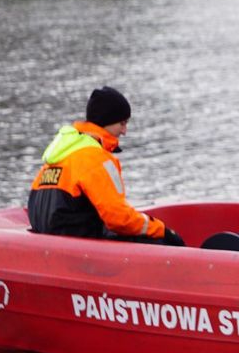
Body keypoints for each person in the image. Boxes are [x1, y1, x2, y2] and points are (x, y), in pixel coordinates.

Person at [28, 86, 184, 247]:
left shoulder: (61, 154)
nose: (124, 131)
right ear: (106, 121)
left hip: (51, 244)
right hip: (81, 248)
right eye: (122, 123)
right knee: (162, 240)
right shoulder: (95, 158)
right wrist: (163, 230)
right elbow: (118, 218)